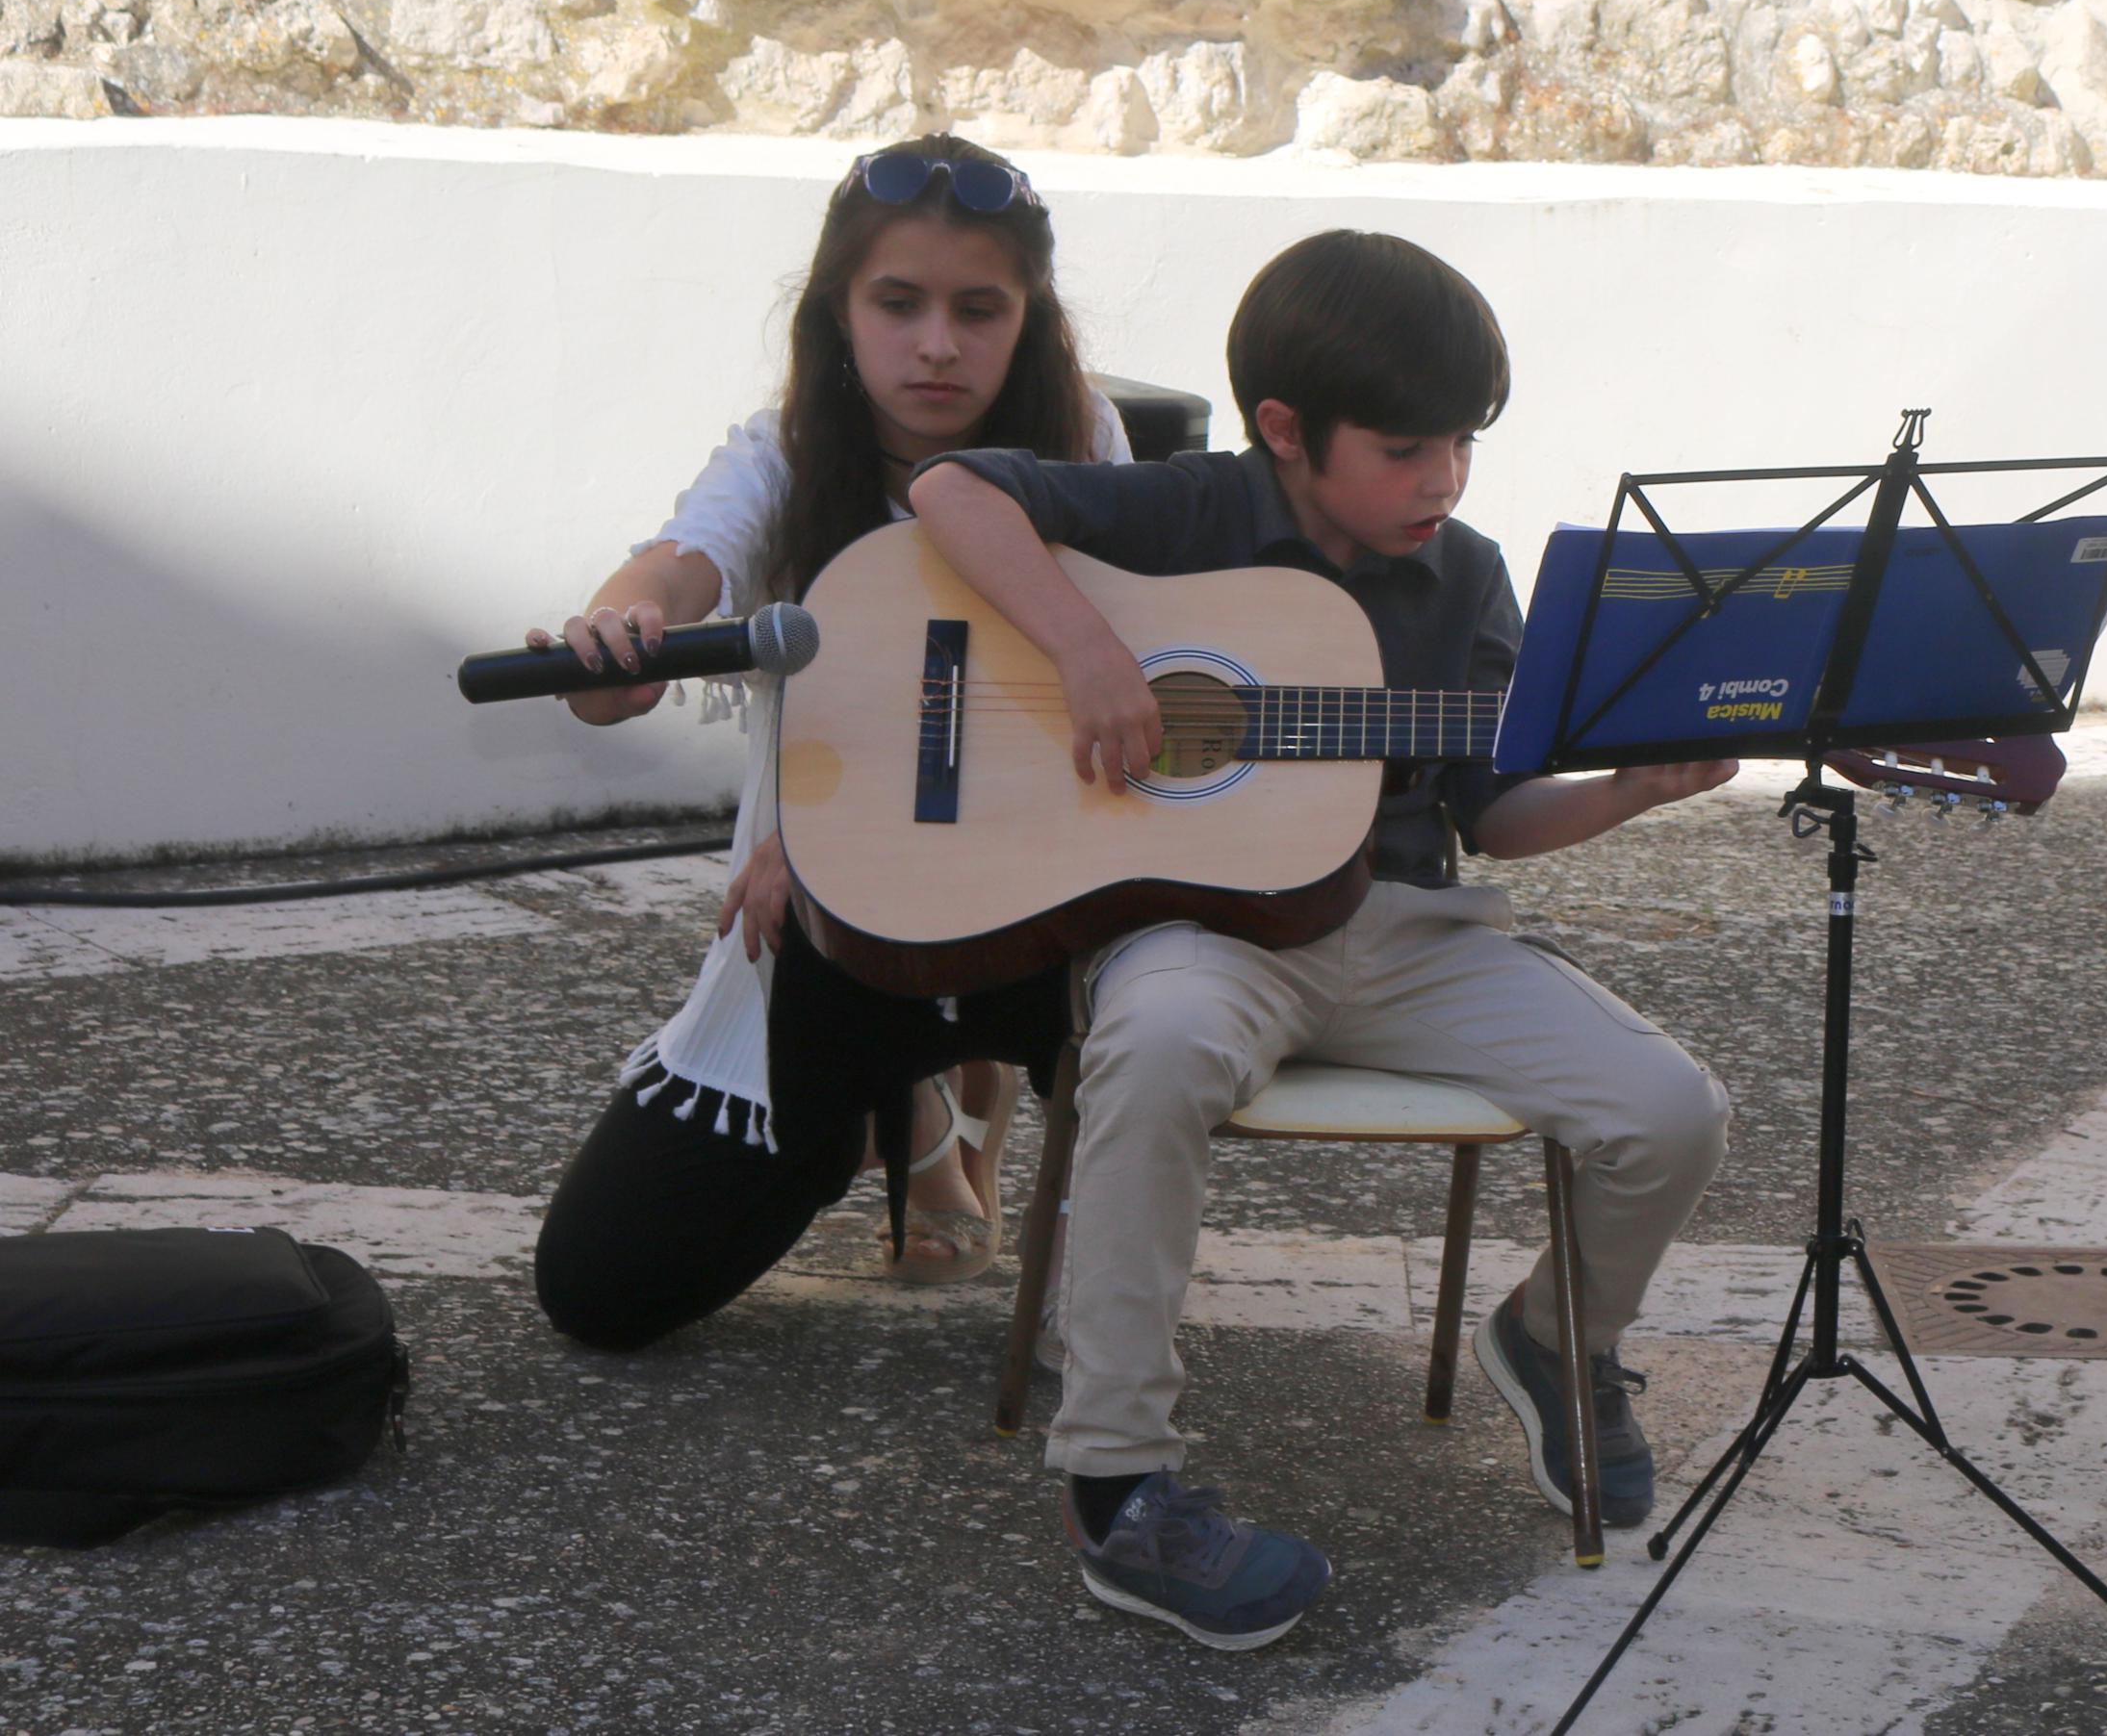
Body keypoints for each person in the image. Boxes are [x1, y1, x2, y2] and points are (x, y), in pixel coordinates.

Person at [905, 227, 1736, 1651]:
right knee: (1151, 1045)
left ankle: (1554, 1337)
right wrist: (1087, 650)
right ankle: (1115, 1477)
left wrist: (1623, 785)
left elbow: (1496, 809)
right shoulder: (1187, 512)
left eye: (1464, 443)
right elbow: (950, 488)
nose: (1444, 479)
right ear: (1283, 429)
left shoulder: (1465, 574)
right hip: (1199, 931)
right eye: (1407, 446)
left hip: (1404, 927)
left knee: (1671, 1106)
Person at [529, 138, 1128, 1340]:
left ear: (1028, 318)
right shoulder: (786, 452)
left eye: (979, 308)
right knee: (599, 1291)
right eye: (896, 304)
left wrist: (844, 836)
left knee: (1146, 1125)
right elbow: (677, 564)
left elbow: (1098, 699)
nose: (937, 344)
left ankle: (983, 1096)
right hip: (821, 927)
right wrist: (625, 624)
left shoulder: (1085, 445)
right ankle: (903, 1110)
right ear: (837, 311)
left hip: (1034, 915)